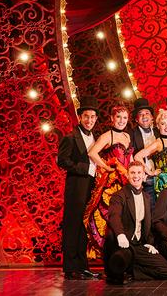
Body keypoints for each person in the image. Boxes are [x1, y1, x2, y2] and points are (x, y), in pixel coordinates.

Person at [103, 161, 167, 284]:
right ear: (127, 175)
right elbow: (114, 216)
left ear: (144, 176)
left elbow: (149, 223)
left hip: (138, 245)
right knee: (122, 257)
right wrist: (120, 234)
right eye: (133, 173)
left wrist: (150, 243)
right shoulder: (119, 196)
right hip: (124, 245)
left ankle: (131, 272)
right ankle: (120, 270)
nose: (136, 176)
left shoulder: (146, 197)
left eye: (139, 172)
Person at [57, 96, 101, 280]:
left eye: (92, 117)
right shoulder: (70, 137)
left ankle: (82, 266)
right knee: (72, 225)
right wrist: (86, 168)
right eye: (86, 116)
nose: (89, 120)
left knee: (83, 226)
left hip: (90, 187)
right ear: (80, 117)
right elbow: (62, 160)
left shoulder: (94, 137)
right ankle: (70, 267)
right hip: (76, 186)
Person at [84, 105, 134, 258]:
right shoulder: (107, 136)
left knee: (125, 219)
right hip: (112, 184)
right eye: (118, 117)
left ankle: (123, 256)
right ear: (112, 118)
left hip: (126, 181)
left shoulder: (127, 136)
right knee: (110, 218)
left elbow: (129, 158)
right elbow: (92, 153)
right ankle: (110, 257)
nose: (121, 120)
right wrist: (106, 166)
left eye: (124, 118)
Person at [134, 109, 167, 198]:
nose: (166, 126)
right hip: (163, 182)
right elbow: (137, 156)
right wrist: (150, 173)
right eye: (163, 123)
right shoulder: (158, 143)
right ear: (157, 126)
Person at [129, 98, 159, 205]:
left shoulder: (159, 132)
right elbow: (130, 157)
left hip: (160, 176)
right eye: (140, 114)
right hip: (144, 179)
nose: (144, 116)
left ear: (152, 117)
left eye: (147, 113)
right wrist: (143, 174)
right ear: (136, 119)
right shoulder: (131, 134)